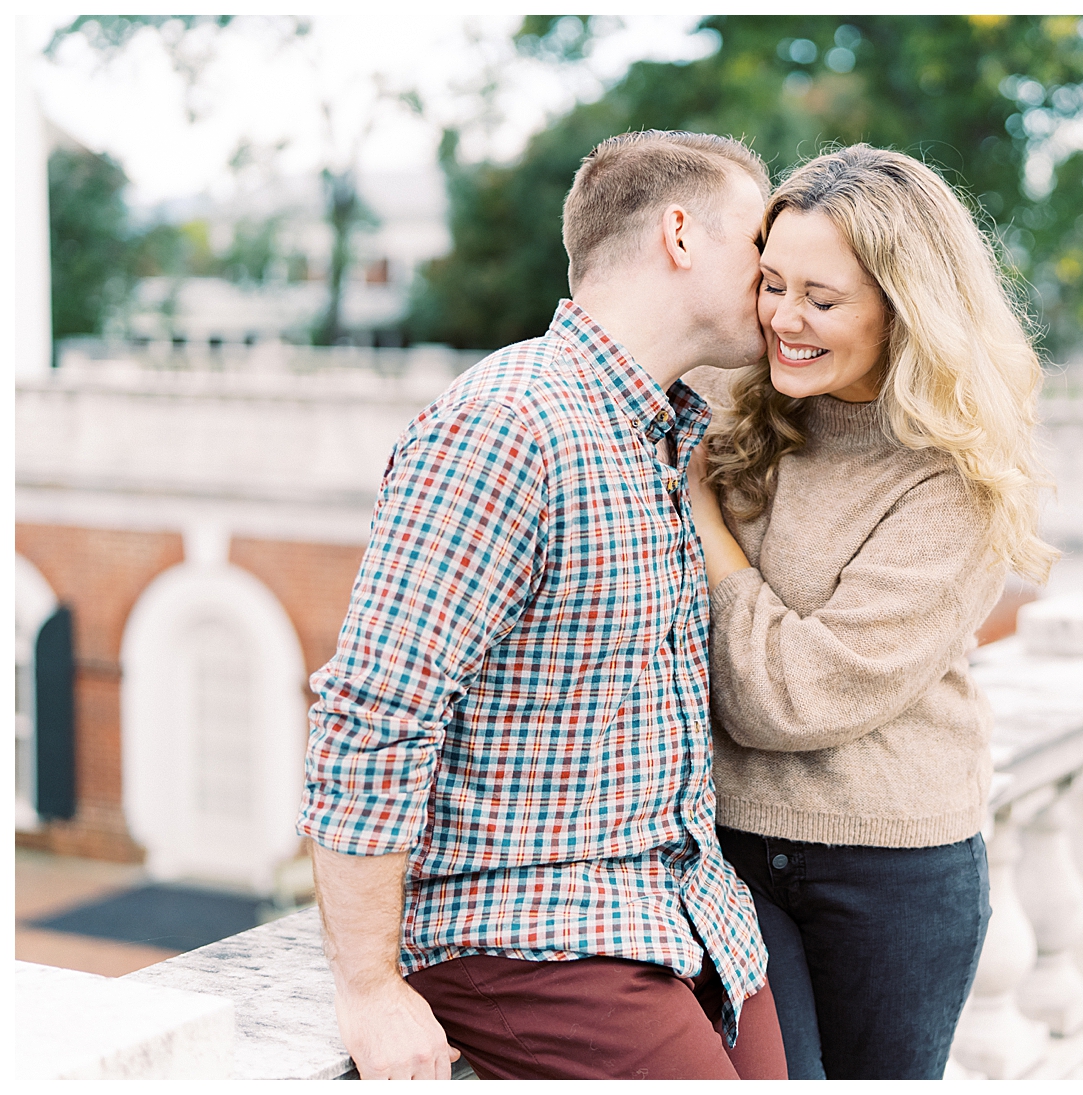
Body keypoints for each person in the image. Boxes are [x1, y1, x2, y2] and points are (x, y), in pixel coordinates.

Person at [297, 130, 789, 1081]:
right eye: (759, 242)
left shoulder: (660, 434)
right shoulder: (506, 427)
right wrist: (367, 984)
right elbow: (372, 711)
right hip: (526, 932)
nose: (772, 278)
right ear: (680, 234)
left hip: (684, 910)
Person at [685, 144, 1059, 1080]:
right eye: (771, 283)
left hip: (890, 873)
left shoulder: (955, 477)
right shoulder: (742, 422)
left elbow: (794, 696)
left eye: (823, 297)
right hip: (723, 847)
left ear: (904, 305)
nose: (783, 318)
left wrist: (703, 518)